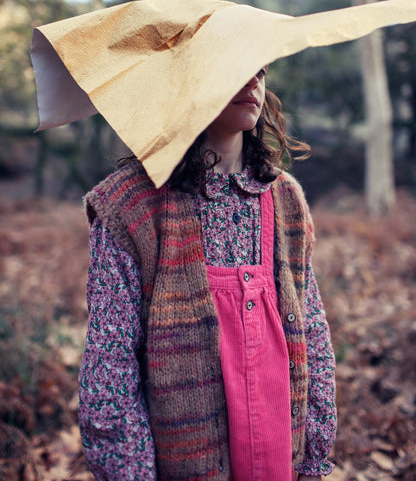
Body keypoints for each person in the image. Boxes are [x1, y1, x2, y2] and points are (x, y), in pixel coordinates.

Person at [78, 65, 337, 481]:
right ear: (188, 77)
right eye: (234, 66)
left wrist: (314, 452)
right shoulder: (130, 208)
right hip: (181, 464)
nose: (252, 82)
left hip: (276, 459)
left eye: (260, 70)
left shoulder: (286, 197)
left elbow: (313, 333)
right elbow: (110, 367)